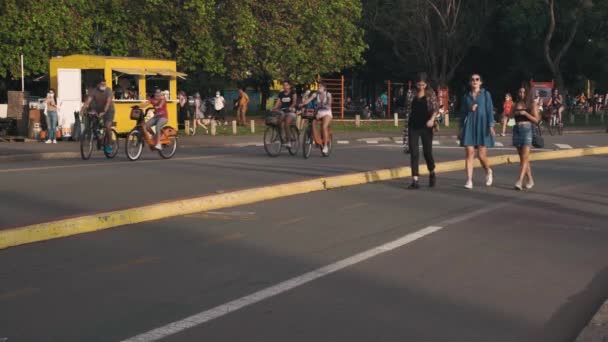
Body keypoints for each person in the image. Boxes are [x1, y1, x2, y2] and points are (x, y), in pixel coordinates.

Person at [459, 73, 496, 189]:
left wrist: (491, 125)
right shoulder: (466, 97)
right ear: (470, 83)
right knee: (469, 153)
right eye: (472, 79)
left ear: (480, 82)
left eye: (477, 79)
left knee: (481, 155)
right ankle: (469, 180)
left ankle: (488, 170)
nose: (475, 81)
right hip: (469, 126)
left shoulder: (486, 94)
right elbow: (462, 113)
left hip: (482, 126)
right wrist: (460, 129)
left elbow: (490, 110)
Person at [404, 72, 437, 189]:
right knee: (414, 153)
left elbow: (435, 109)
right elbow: (408, 109)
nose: (421, 86)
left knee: (427, 152)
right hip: (413, 126)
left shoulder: (430, 93)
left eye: (423, 84)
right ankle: (415, 180)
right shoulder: (410, 93)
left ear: (426, 84)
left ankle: (432, 172)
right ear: (416, 84)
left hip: (426, 127)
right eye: (419, 84)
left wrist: (432, 120)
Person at [512, 86, 540, 190]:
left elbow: (536, 120)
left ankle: (519, 181)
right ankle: (530, 179)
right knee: (523, 158)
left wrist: (525, 113)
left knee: (524, 157)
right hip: (517, 130)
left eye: (524, 92)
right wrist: (512, 112)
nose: (522, 94)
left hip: (527, 130)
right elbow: (509, 117)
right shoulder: (515, 104)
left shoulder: (532, 104)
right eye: (520, 92)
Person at [81, 79, 115, 154]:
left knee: (107, 126)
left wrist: (104, 111)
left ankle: (109, 143)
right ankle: (100, 139)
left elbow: (108, 102)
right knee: (95, 126)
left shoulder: (108, 90)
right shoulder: (94, 91)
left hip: (109, 110)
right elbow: (88, 100)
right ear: (98, 85)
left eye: (104, 84)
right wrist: (83, 109)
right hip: (98, 110)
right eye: (102, 84)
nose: (104, 86)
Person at [300, 81, 333, 154]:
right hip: (318, 113)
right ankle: (317, 140)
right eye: (318, 86)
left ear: (324, 88)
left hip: (327, 112)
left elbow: (329, 104)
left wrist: (323, 105)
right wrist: (302, 104)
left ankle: (325, 146)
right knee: (312, 123)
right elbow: (308, 100)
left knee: (324, 127)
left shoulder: (328, 94)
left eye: (320, 86)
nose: (319, 88)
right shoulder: (315, 94)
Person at [271, 80, 297, 147]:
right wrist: (273, 108)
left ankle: (289, 142)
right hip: (283, 111)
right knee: (278, 122)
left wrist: (291, 107)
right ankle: (279, 137)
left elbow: (294, 102)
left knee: (286, 123)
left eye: (286, 85)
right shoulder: (281, 93)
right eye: (284, 85)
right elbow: (278, 103)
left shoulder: (293, 93)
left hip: (291, 112)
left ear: (289, 86)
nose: (285, 87)